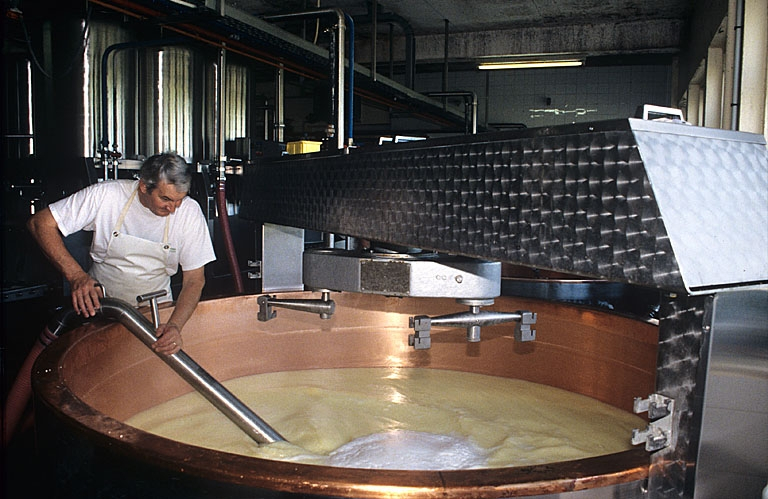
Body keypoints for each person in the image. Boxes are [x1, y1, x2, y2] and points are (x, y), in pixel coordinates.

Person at [27, 153, 216, 355]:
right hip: (101, 311)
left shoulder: (189, 211)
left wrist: (175, 325)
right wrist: (76, 276)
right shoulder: (108, 195)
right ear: (144, 186)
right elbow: (40, 223)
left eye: (179, 200)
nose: (173, 208)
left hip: (156, 316)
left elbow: (194, 280)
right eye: (165, 199)